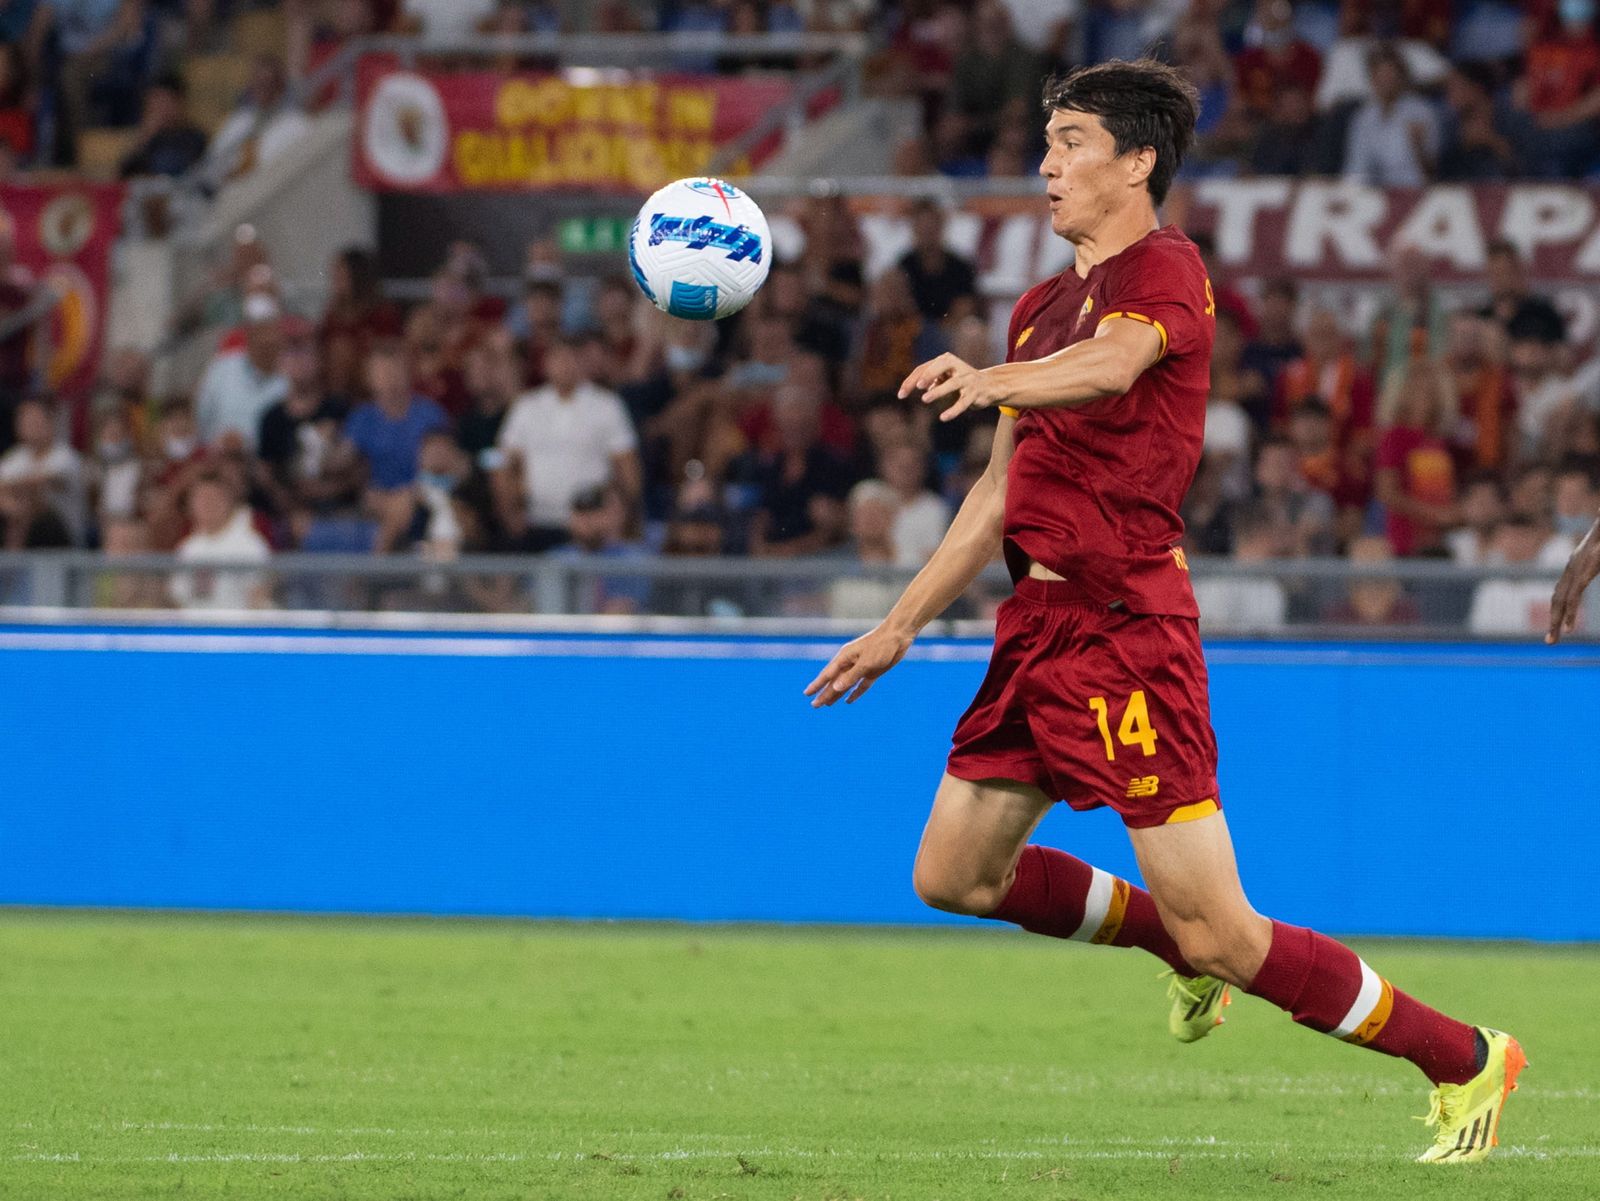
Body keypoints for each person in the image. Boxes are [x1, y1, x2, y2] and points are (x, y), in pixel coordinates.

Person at [804, 59, 1522, 1164]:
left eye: (1071, 143)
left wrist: (993, 379)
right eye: (1046, 143)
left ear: (1137, 162)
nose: (1046, 166)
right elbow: (995, 493)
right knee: (953, 875)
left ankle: (1465, 1054)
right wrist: (900, 624)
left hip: (1127, 631)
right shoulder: (1038, 309)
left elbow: (1114, 365)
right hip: (1034, 630)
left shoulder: (1167, 270)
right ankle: (1176, 949)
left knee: (1225, 931)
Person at [495, 335, 641, 553]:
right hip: (538, 521)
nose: (564, 366)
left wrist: (628, 516)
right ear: (546, 364)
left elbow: (627, 465)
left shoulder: (606, 405)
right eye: (557, 359)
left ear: (582, 362)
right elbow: (503, 462)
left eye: (570, 359)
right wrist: (509, 511)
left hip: (591, 525)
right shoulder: (526, 406)